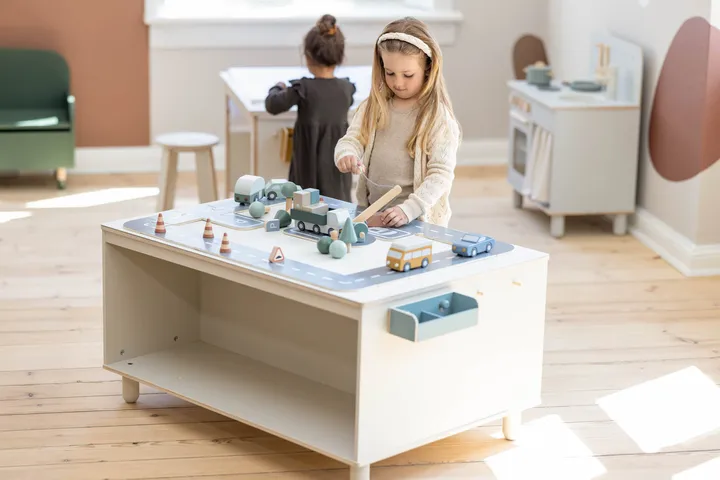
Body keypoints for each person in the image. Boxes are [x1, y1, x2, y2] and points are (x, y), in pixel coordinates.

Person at [334, 17, 461, 228]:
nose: (398, 83)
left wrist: (409, 209)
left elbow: (440, 175)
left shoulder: (437, 117)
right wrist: (346, 154)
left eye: (408, 75)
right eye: (390, 73)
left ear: (428, 68)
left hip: (416, 219)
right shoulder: (373, 107)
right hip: (373, 213)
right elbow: (352, 139)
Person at [265, 14, 356, 202]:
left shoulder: (302, 89)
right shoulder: (346, 89)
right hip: (336, 167)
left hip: (308, 170)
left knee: (304, 205)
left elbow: (272, 105)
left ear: (307, 57)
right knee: (337, 205)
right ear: (340, 57)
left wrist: (277, 87)